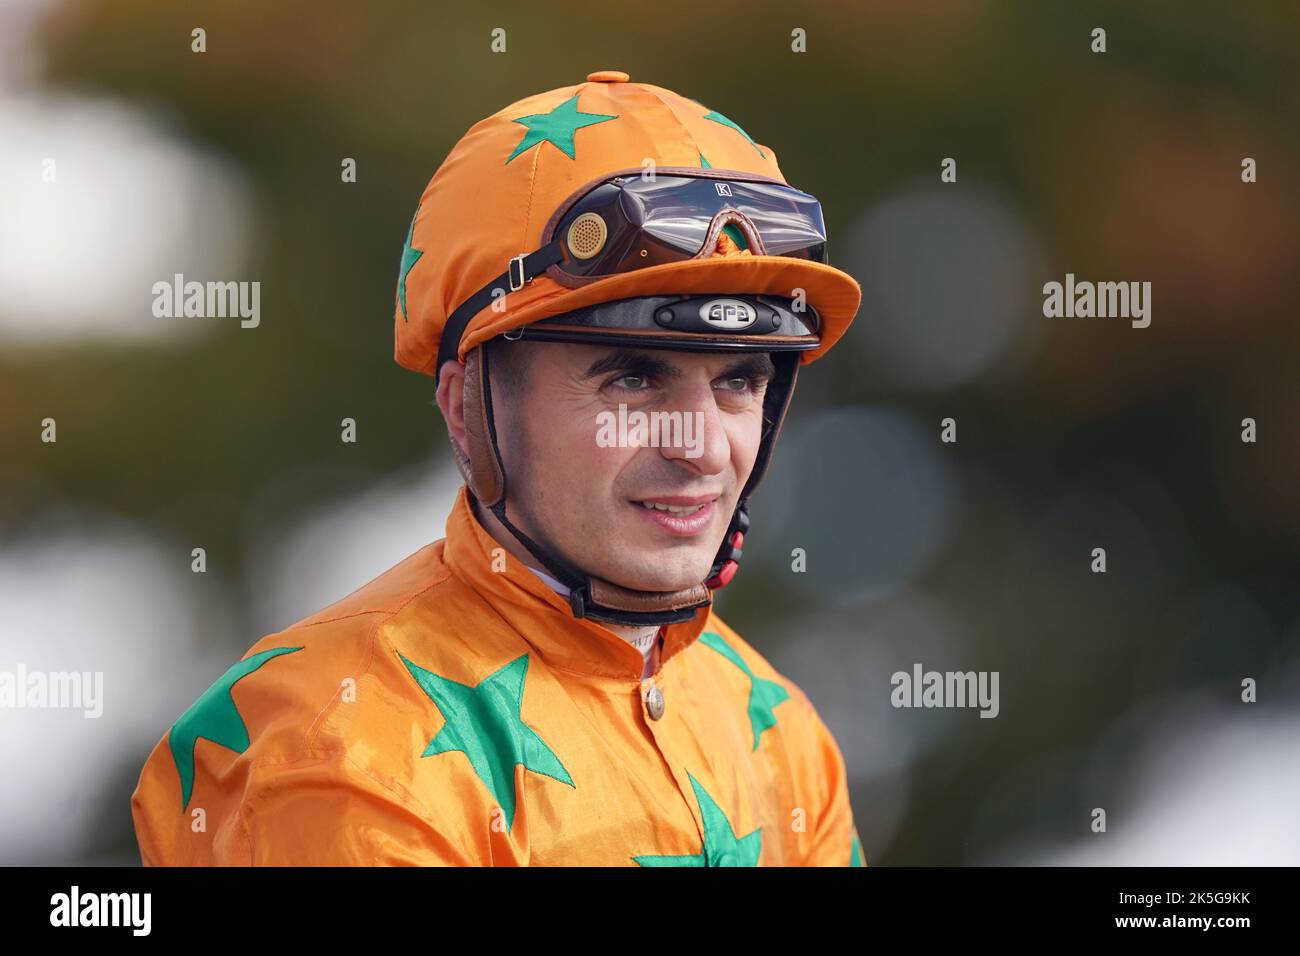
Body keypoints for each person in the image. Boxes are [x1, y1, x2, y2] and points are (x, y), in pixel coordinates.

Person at [131, 70, 866, 866]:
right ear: (465, 410)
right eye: (632, 378)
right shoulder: (346, 751)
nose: (702, 446)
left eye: (739, 381)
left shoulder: (782, 733)